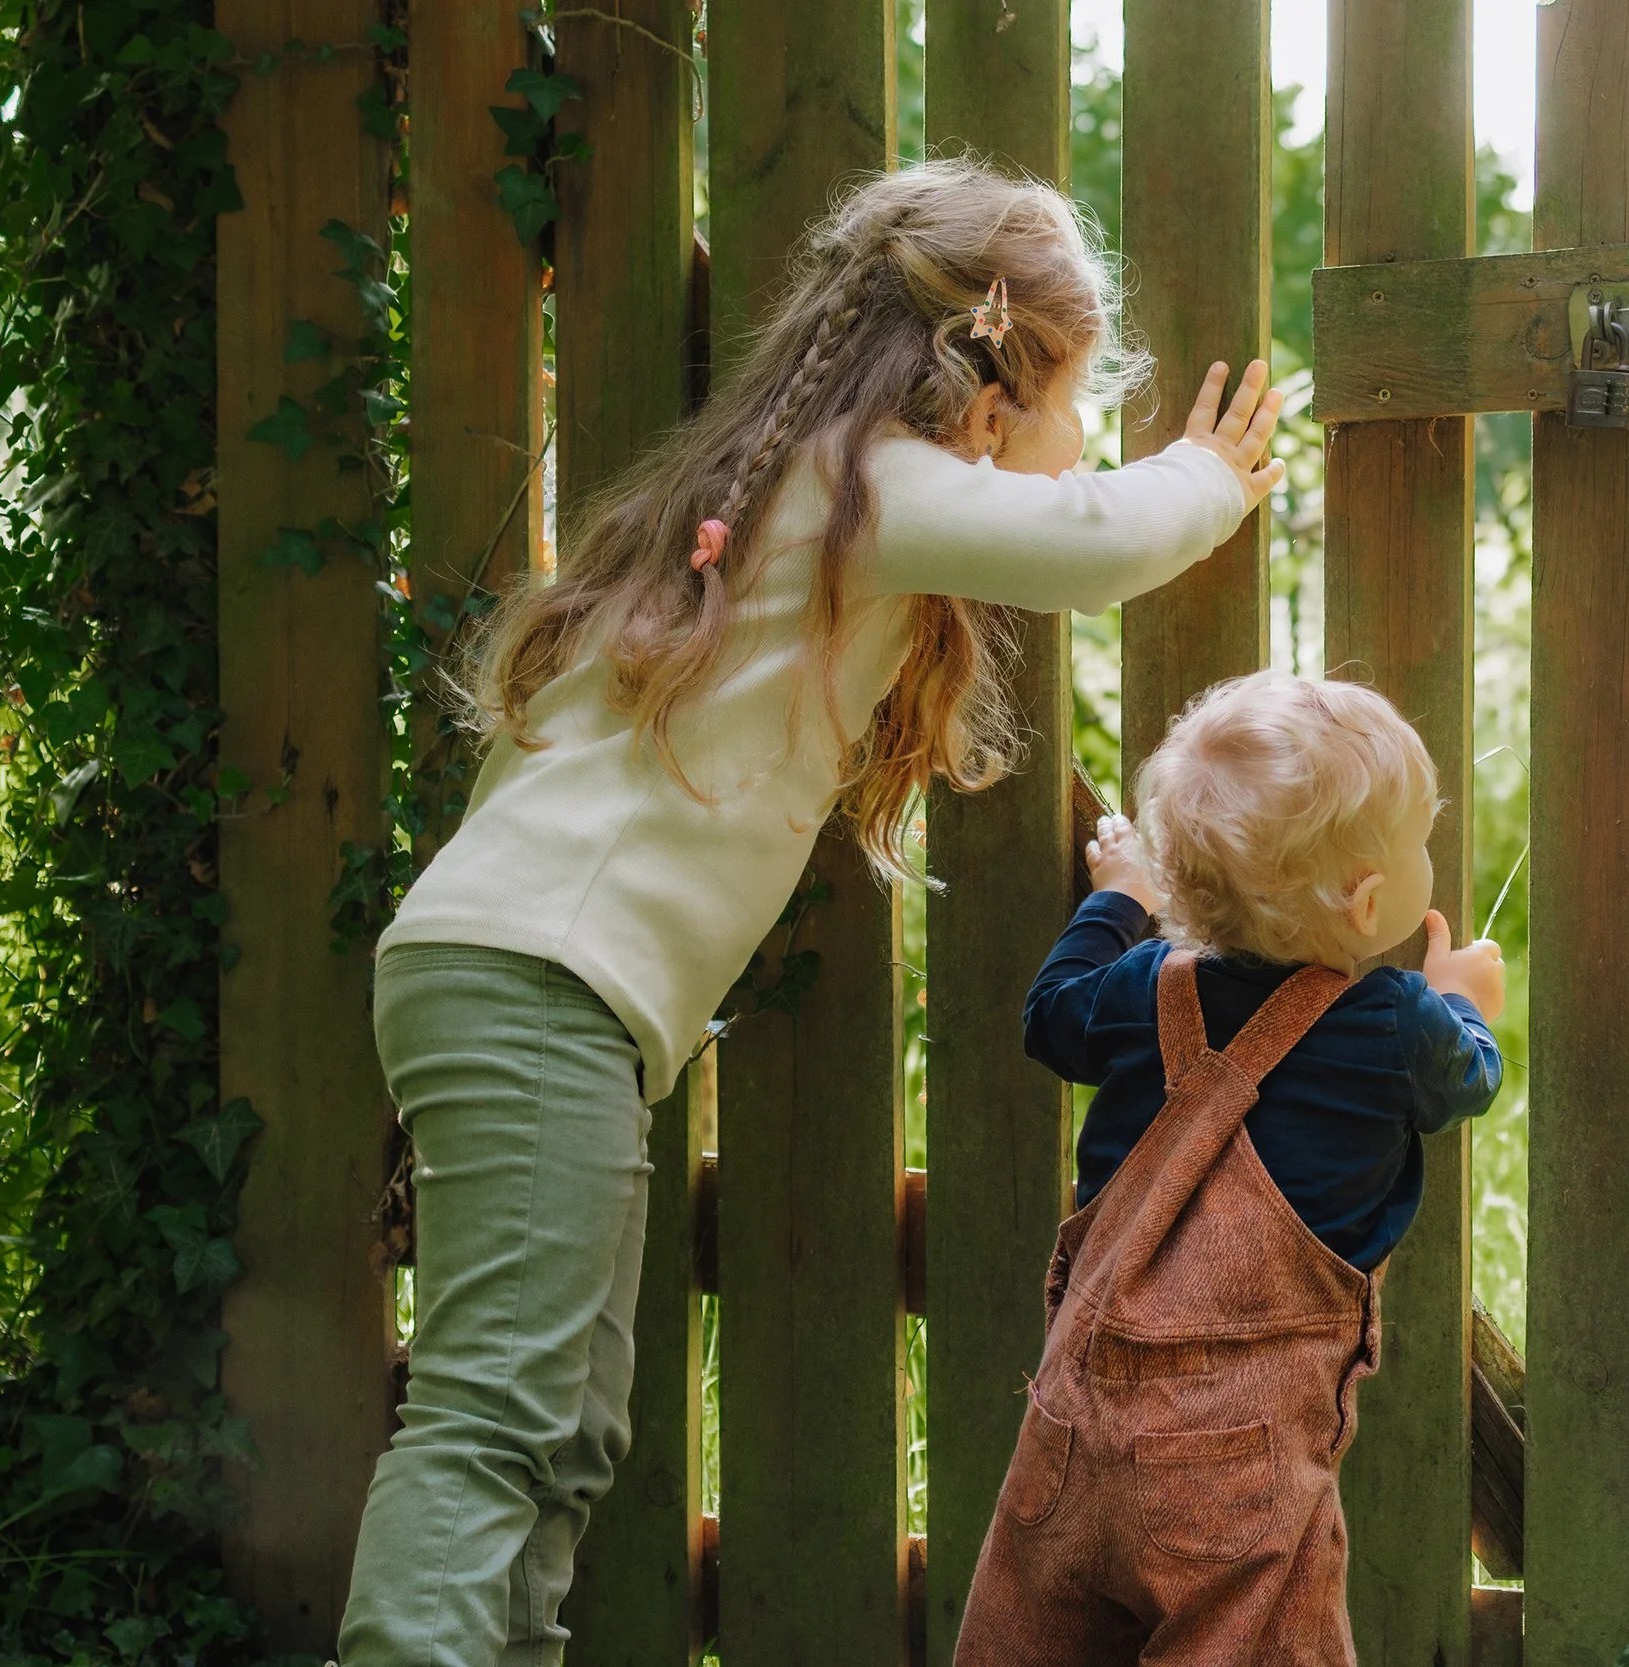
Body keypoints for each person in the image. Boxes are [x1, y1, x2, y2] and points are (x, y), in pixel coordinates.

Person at [340, 157, 1286, 1666]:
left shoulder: (779, 487)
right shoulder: (864, 481)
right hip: (539, 982)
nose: (1075, 444)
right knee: (496, 1414)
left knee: (566, 1426)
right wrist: (1210, 476)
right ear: (990, 382)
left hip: (526, 980)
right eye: (1075, 400)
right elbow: (1097, 542)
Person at [955, 670, 1506, 1666]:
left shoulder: (1140, 986)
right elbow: (1467, 1079)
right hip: (1237, 1487)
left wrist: (1120, 897)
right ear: (1369, 901)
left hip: (1071, 1439)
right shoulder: (1395, 1025)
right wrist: (1461, 998)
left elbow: (1051, 1016)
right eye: (1419, 841)